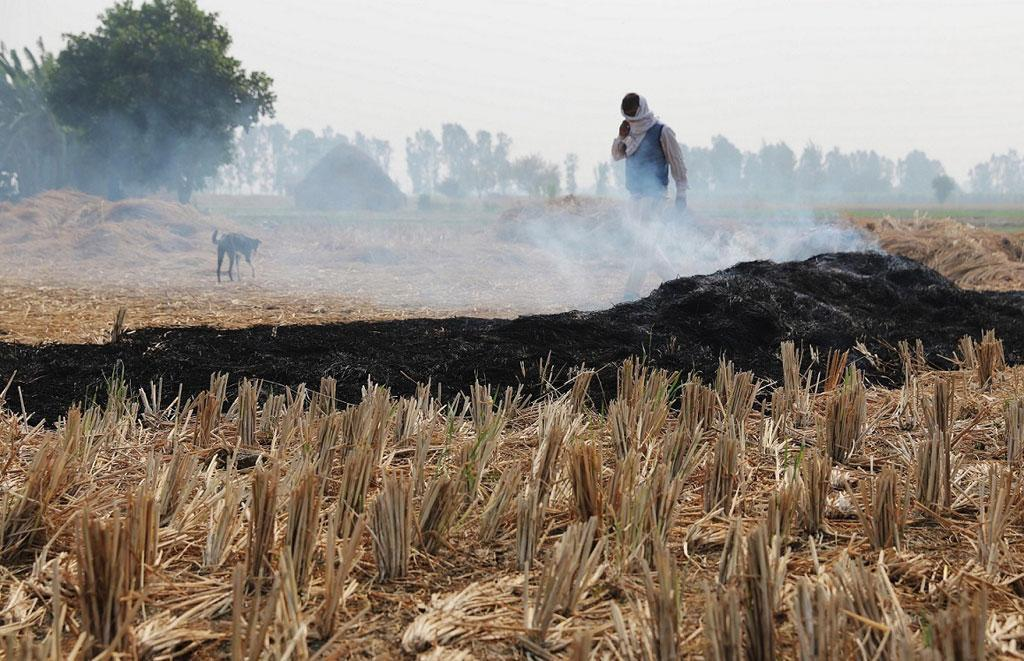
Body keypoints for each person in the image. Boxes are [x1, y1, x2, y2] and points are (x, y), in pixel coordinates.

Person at [611, 93, 689, 301]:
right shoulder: (630, 133)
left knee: (645, 245)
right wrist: (621, 137)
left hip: (654, 197)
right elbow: (617, 156)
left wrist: (681, 194)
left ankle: (630, 293)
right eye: (627, 115)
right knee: (647, 245)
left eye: (632, 114)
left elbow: (677, 162)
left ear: (641, 109)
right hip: (635, 197)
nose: (631, 119)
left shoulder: (662, 131)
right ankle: (677, 285)